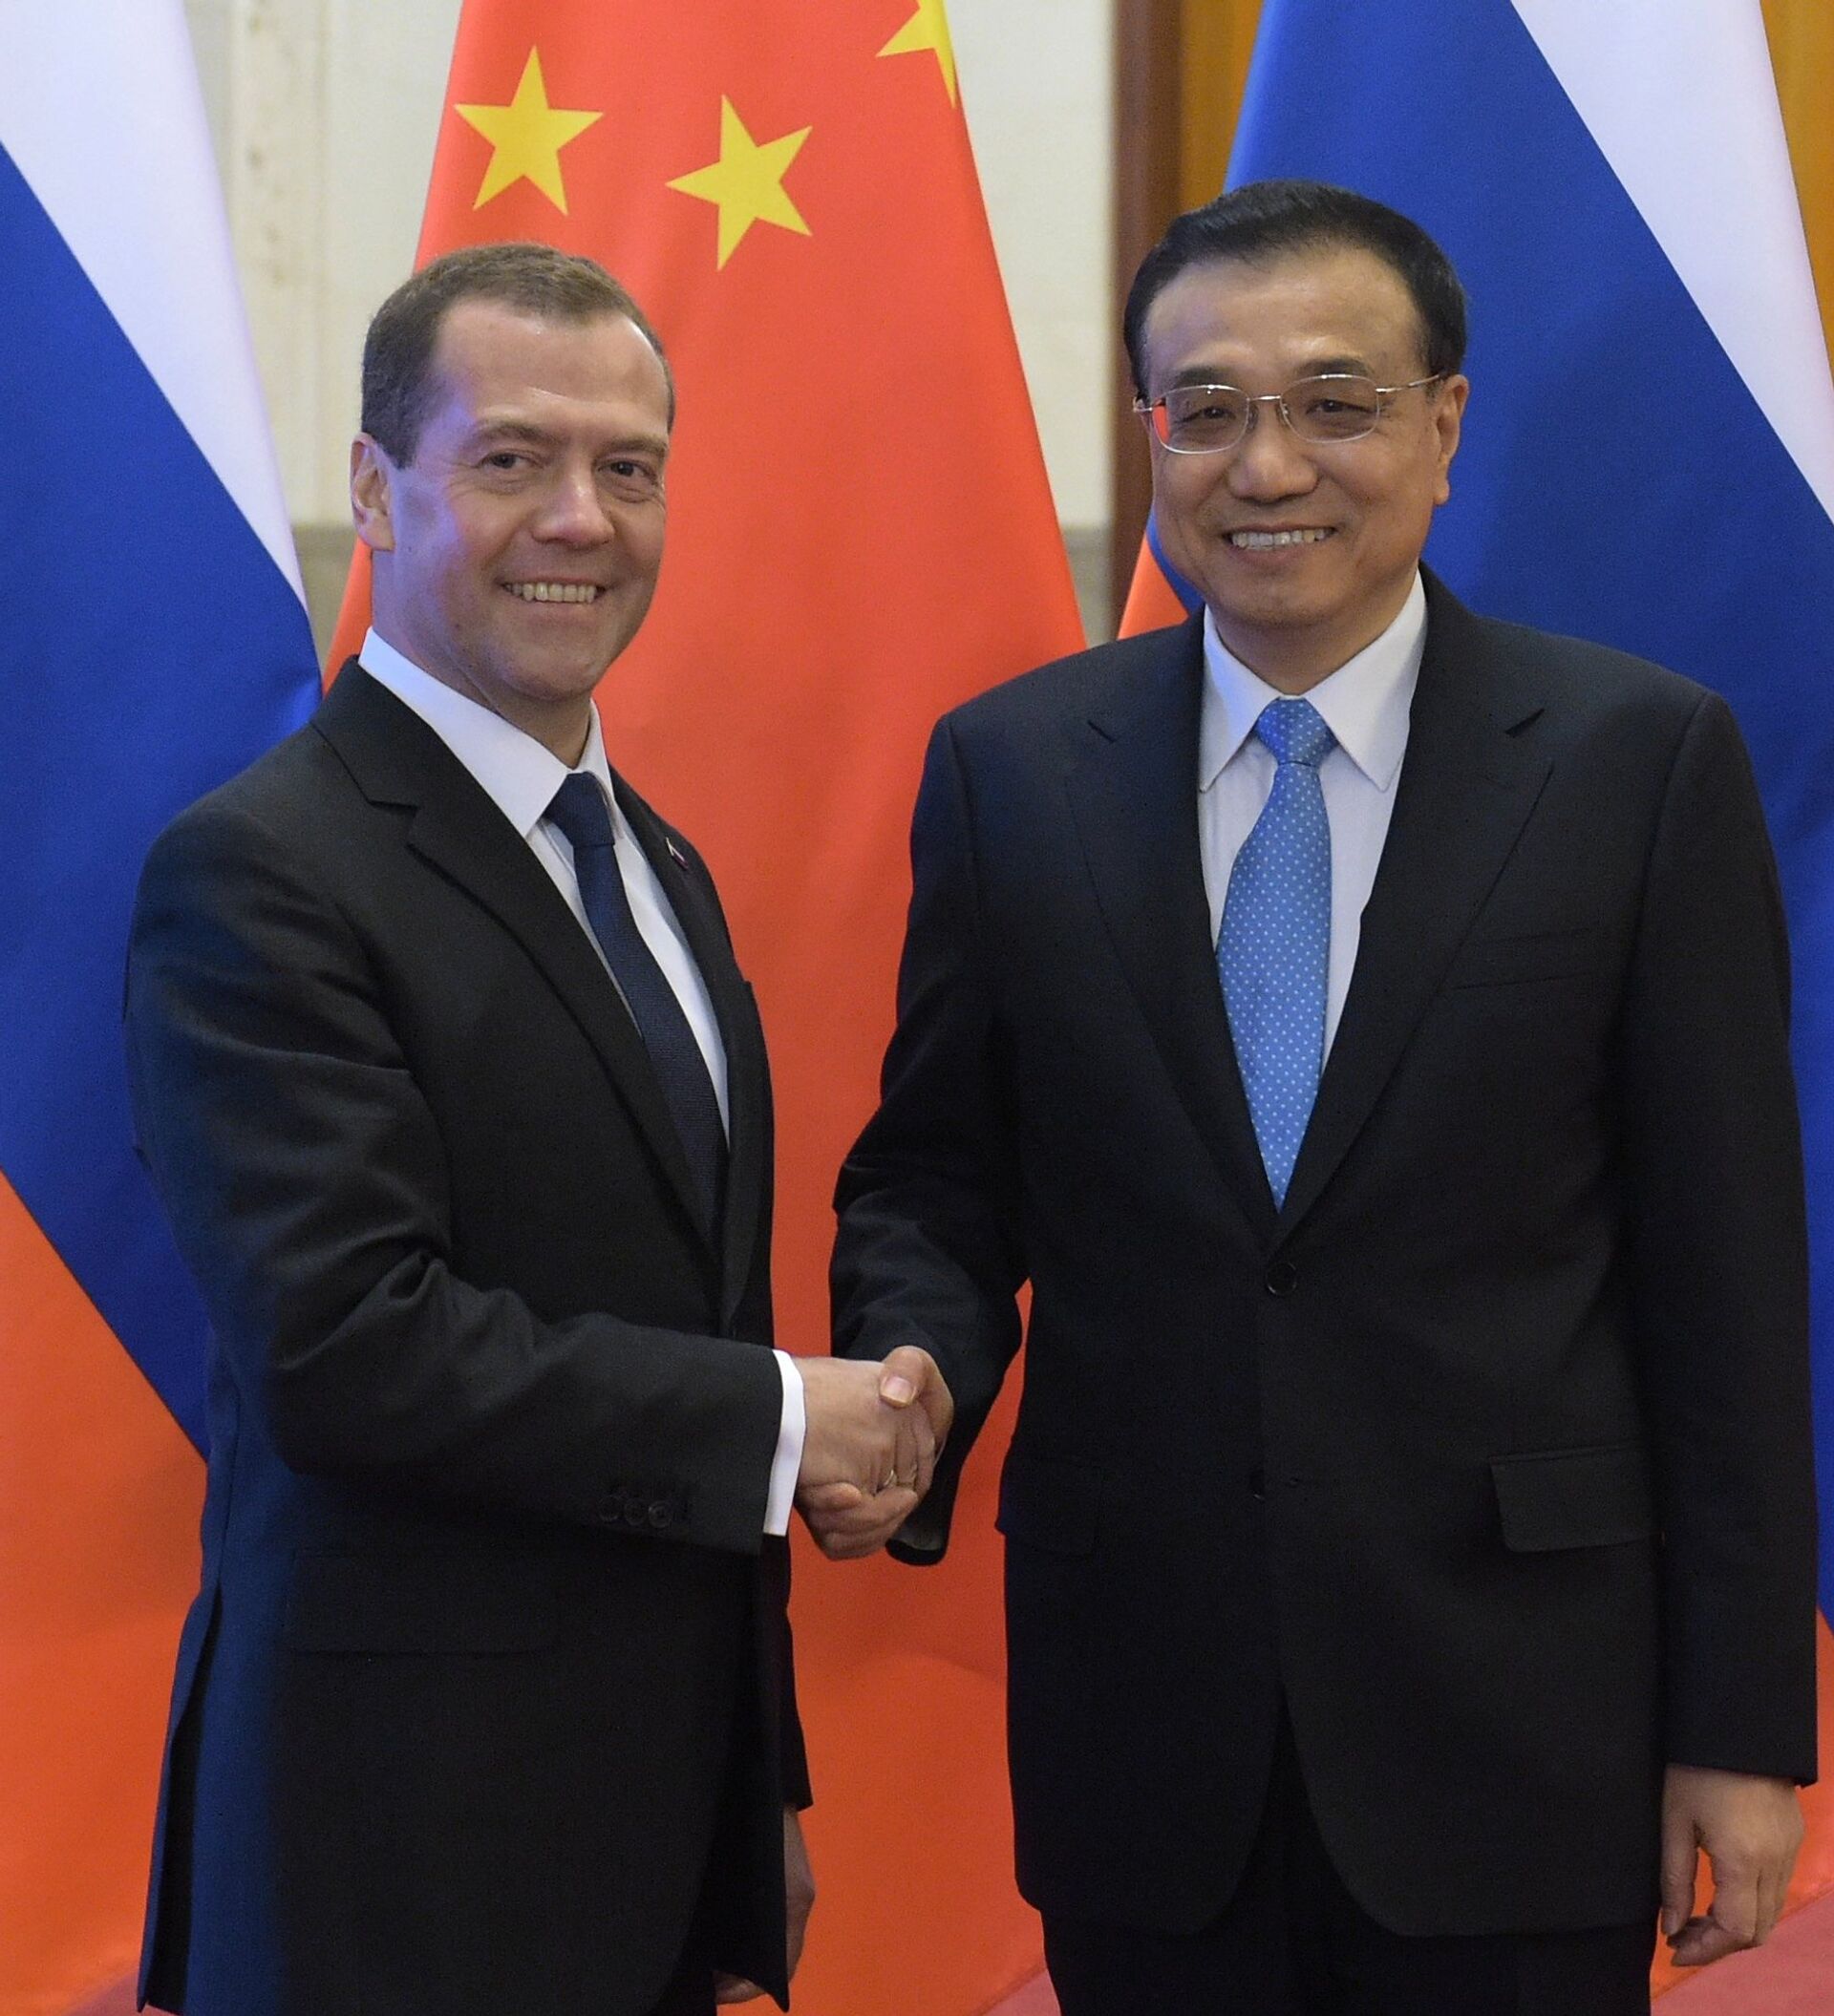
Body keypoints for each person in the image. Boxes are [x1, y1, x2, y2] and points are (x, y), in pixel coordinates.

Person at [821, 181, 1818, 2013]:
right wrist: (909, 1373)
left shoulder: (1635, 763)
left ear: (1443, 426)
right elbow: (938, 1185)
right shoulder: (1016, 772)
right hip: (1146, 1738)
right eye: (1207, 408)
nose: (1266, 464)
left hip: (1519, 1732)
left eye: (1335, 404)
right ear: (1153, 433)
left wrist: (1743, 1729)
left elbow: (1729, 1283)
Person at [125, 242, 948, 2016]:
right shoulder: (262, 872)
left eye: (628, 467)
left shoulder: (654, 862)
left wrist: (759, 1785)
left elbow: (688, 1308)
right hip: (391, 1859)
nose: (580, 517)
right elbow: (348, 1350)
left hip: (653, 1841)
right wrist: (786, 1421)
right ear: (374, 487)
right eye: (511, 459)